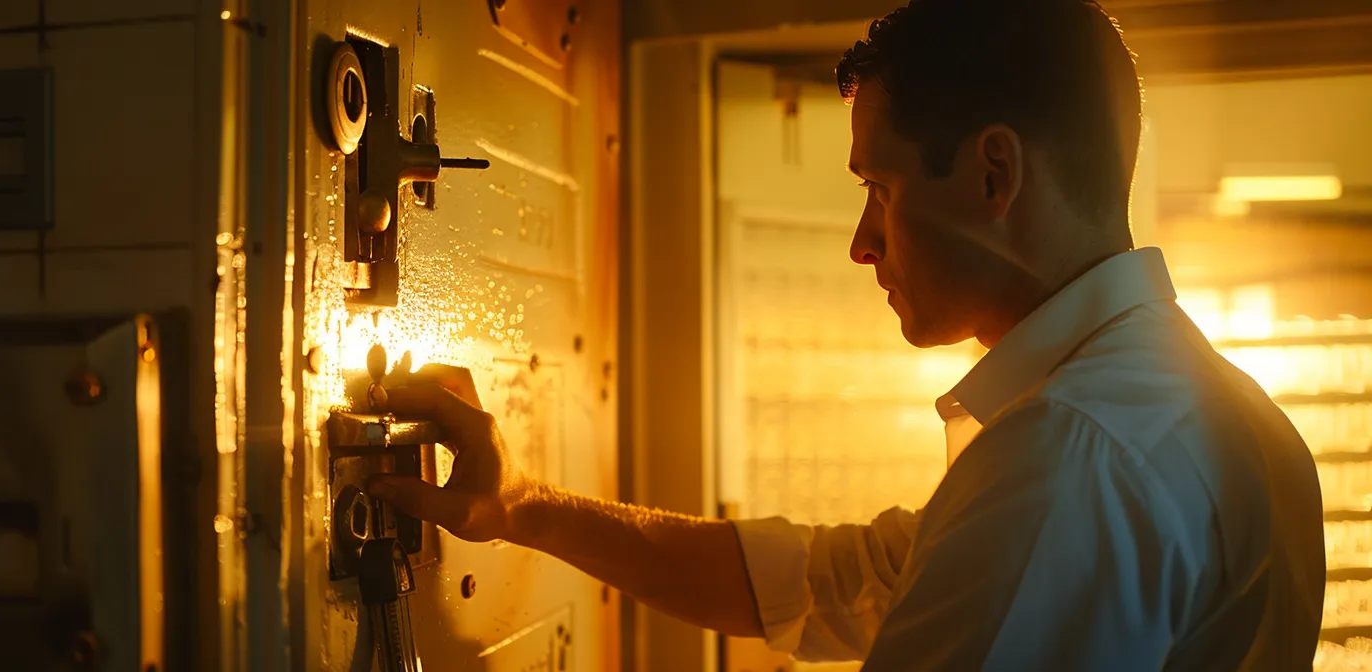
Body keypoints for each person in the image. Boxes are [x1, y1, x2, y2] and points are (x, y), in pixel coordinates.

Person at [367, 0, 1326, 669]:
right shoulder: (1209, 411)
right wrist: (525, 507)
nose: (863, 243)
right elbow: (834, 584)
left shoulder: (1077, 452)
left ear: (995, 175)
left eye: (881, 189)